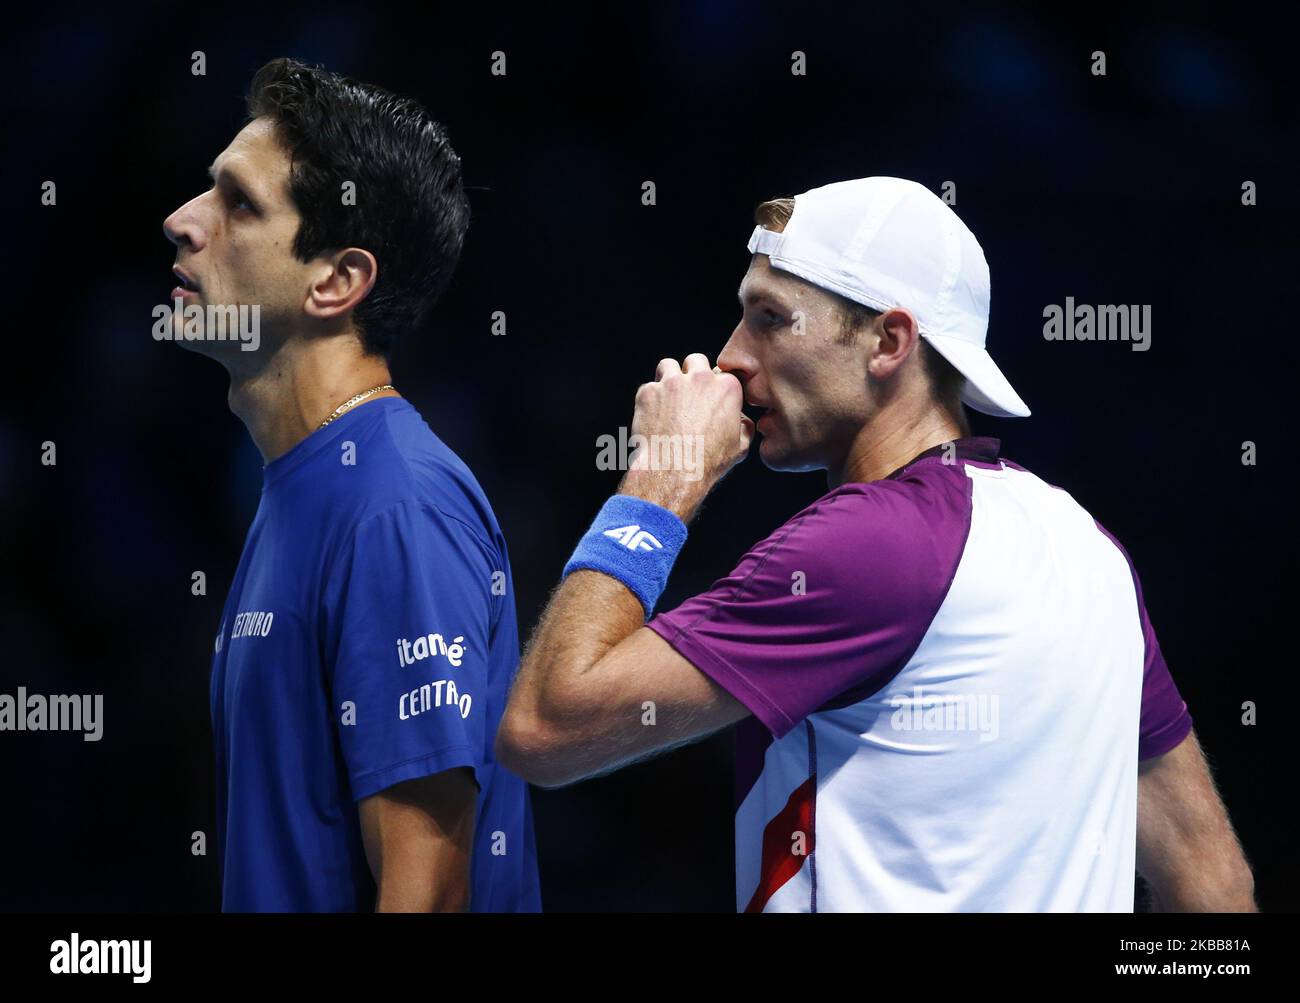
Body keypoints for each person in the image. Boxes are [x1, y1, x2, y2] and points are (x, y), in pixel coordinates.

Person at [496, 177, 1255, 912]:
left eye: (769, 318)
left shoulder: (866, 544)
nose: (730, 356)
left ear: (890, 341)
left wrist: (660, 481)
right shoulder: (1091, 552)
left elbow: (546, 729)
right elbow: (1216, 890)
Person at [163, 57, 540, 912]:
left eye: (239, 203)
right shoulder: (307, 482)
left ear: (336, 280)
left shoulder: (394, 506)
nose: (182, 221)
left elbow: (431, 890)